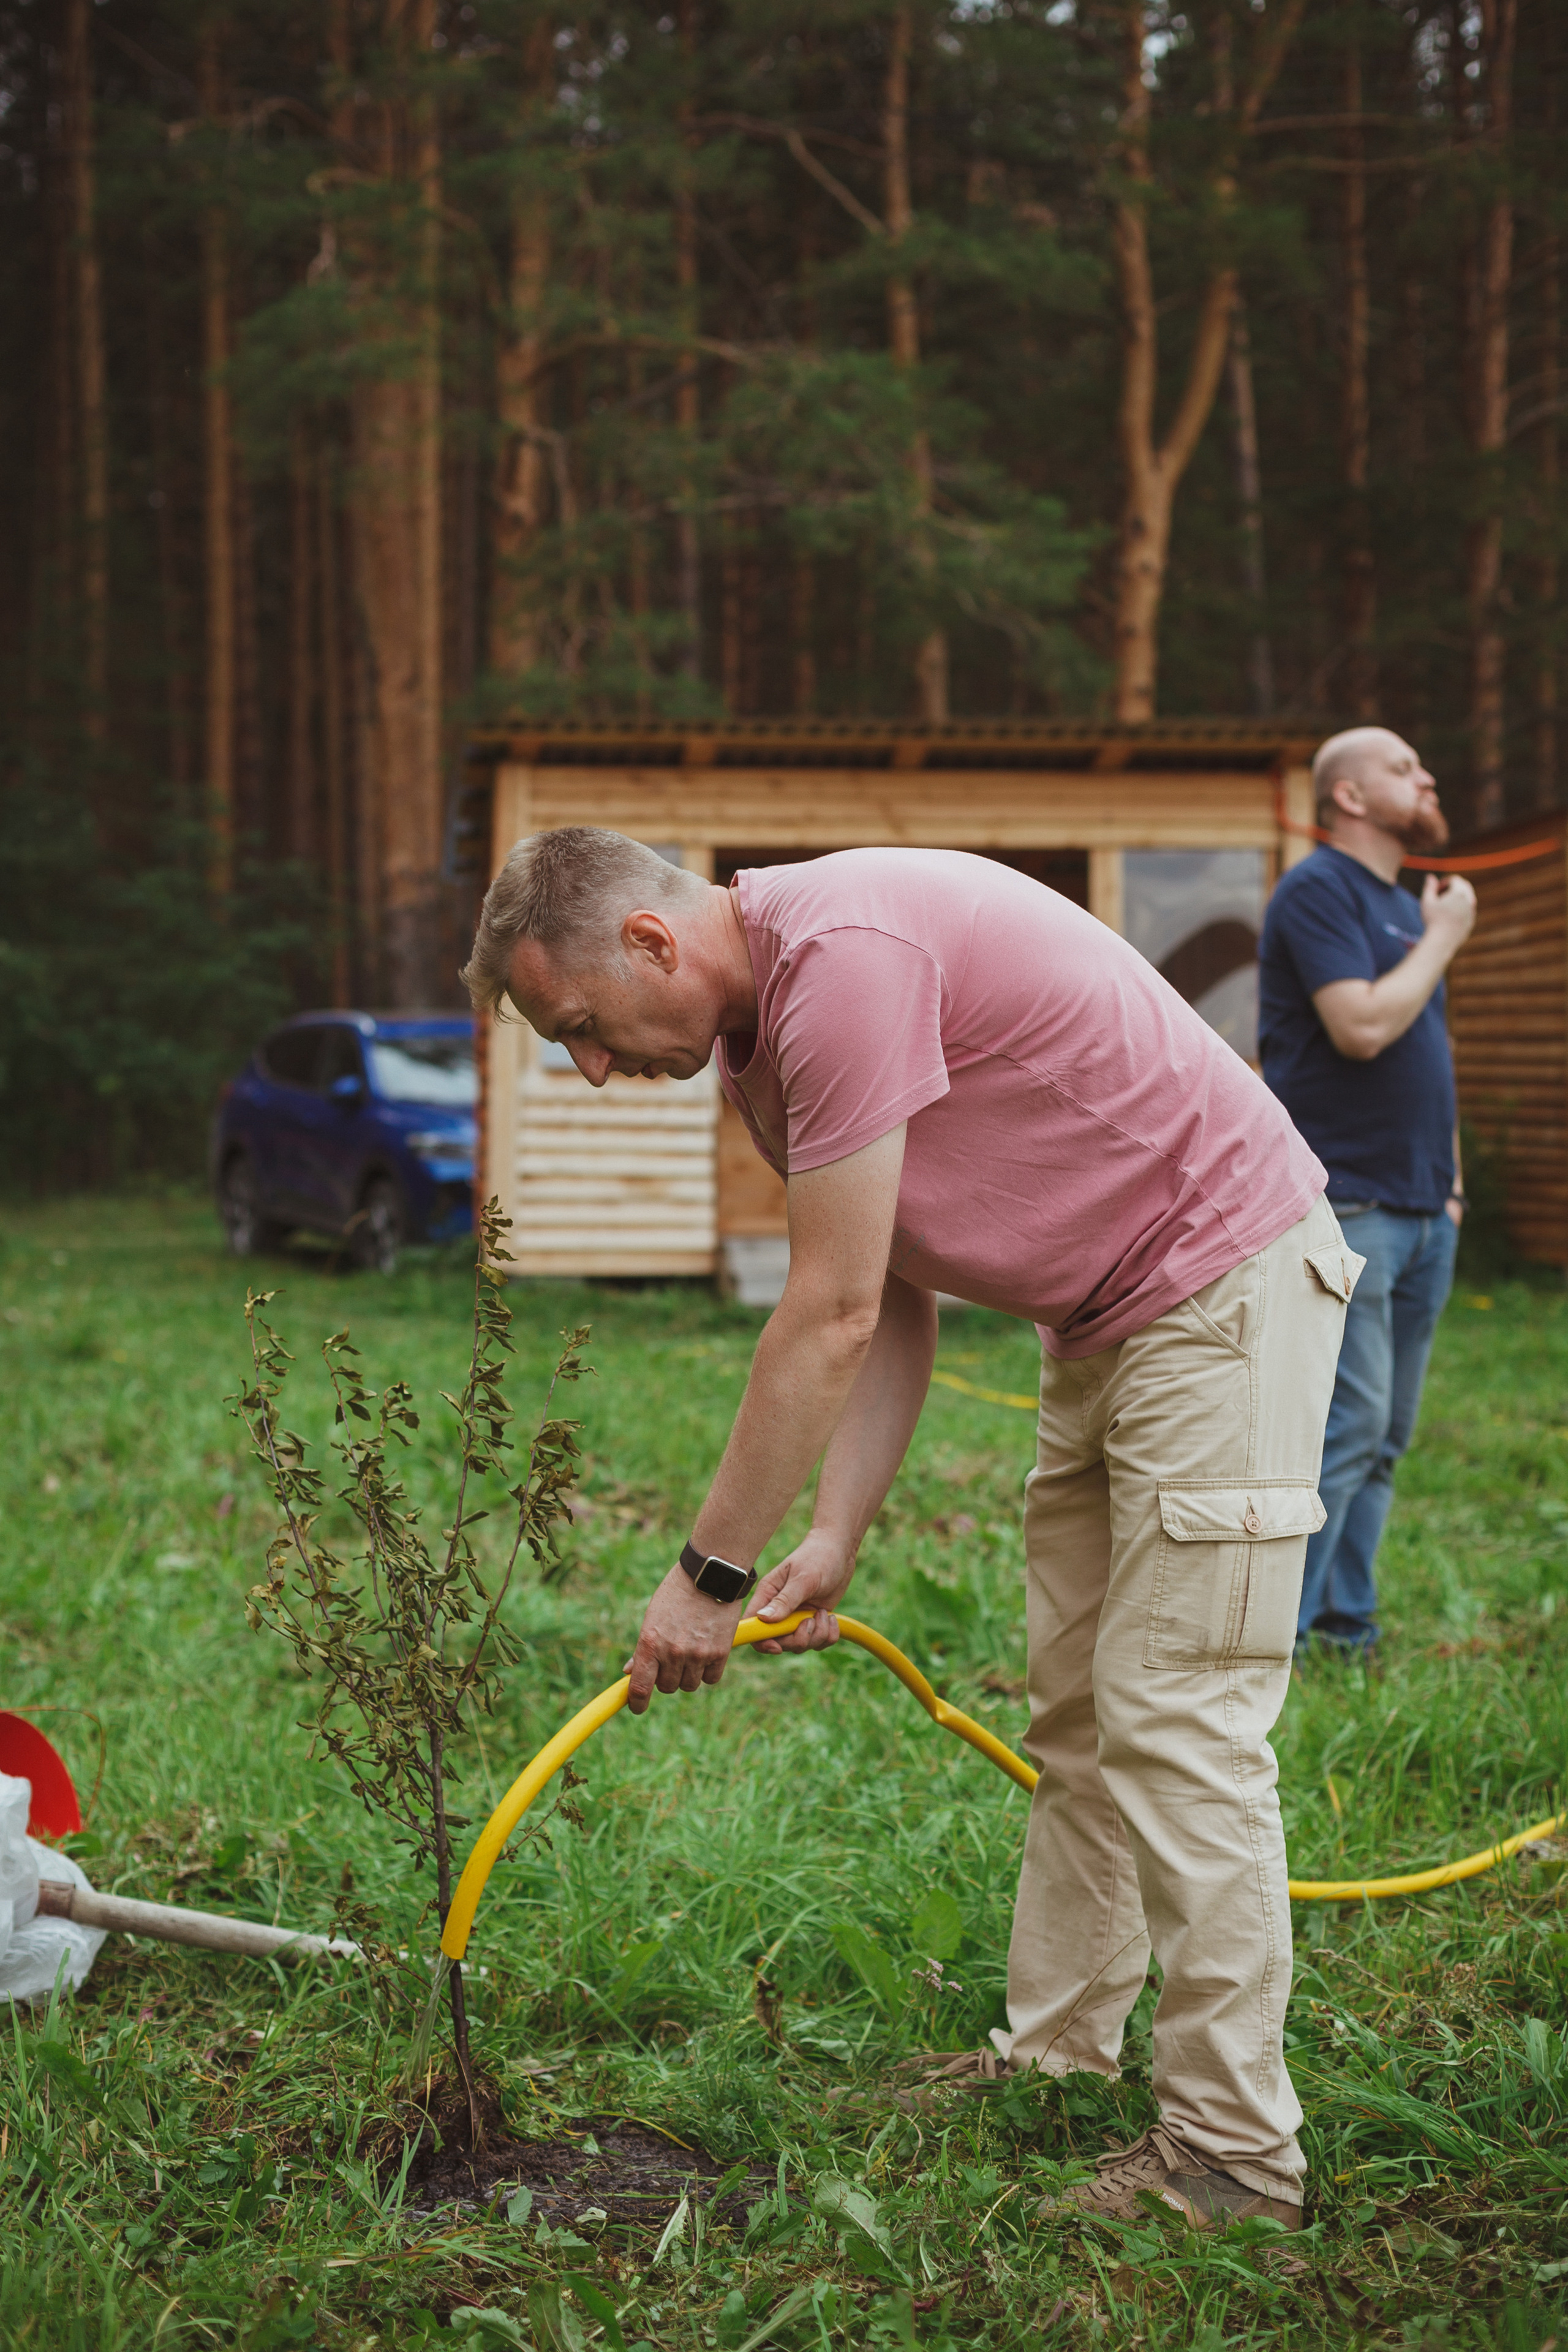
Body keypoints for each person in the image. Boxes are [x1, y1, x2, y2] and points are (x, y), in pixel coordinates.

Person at [462, 828, 1365, 2230]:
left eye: (580, 1028)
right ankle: (1061, 2049)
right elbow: (880, 1287)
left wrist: (708, 1578)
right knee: (1079, 1710)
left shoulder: (842, 963)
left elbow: (818, 1314)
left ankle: (1233, 2161)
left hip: (1220, 1284)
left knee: (1175, 1717)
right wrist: (831, 1530)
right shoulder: (768, 1033)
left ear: (647, 942)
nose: (589, 1068)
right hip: (1111, 1316)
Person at [1259, 729, 1475, 1656]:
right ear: (1347, 796)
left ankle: (1348, 1625)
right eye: (1402, 766)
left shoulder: (1398, 907)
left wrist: (1453, 1186)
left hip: (1425, 1211)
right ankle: (1280, 1644)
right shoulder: (1319, 890)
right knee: (1345, 1431)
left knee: (1385, 1436)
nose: (1426, 776)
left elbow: (1431, 1052)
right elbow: (1362, 1027)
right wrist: (1447, 937)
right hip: (1350, 1204)